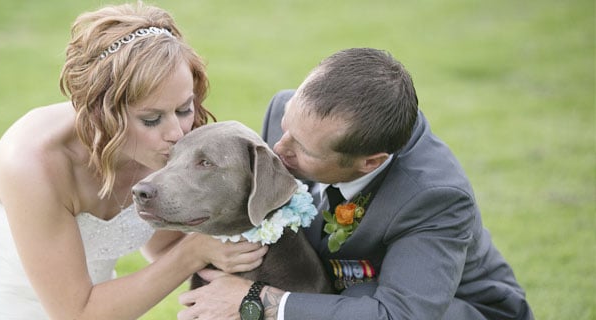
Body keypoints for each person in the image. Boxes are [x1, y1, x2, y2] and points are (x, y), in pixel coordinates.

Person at [0, 3, 267, 320]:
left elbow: (165, 246)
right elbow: (77, 313)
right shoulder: (32, 163)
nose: (178, 133)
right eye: (151, 119)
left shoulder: (159, 147)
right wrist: (193, 252)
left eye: (184, 109)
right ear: (101, 113)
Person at [177, 48, 533, 319]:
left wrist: (254, 299)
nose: (280, 149)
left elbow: (399, 314)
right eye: (286, 127)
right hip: (334, 295)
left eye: (303, 149)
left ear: (370, 162)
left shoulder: (435, 197)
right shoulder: (292, 120)